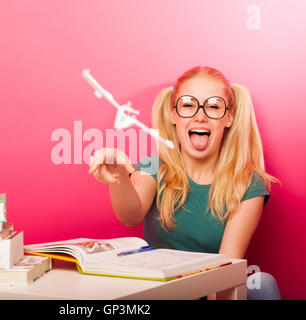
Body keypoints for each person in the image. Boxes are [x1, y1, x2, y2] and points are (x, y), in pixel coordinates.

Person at [88, 66, 281, 300]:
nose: (200, 115)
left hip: (215, 291)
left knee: (262, 284)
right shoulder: (152, 166)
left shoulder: (248, 183)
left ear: (228, 117)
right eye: (188, 105)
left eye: (213, 106)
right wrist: (117, 173)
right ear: (173, 115)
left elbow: (226, 271)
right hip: (162, 293)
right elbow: (131, 215)